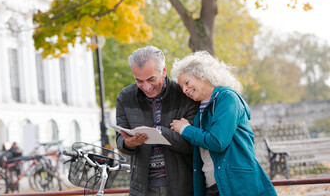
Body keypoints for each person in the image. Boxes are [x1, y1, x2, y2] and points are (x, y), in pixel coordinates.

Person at [170, 51, 277, 196]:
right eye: (182, 87)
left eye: (187, 83)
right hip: (212, 185)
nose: (185, 89)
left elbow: (217, 141)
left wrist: (185, 129)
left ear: (202, 75)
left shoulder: (227, 98)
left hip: (237, 184)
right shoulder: (199, 107)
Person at [116, 46, 199, 196]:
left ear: (164, 70)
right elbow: (120, 142)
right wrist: (128, 143)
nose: (146, 87)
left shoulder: (184, 94)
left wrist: (160, 133)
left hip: (182, 187)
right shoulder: (125, 97)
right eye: (139, 81)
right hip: (142, 188)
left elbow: (193, 145)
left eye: (151, 79)